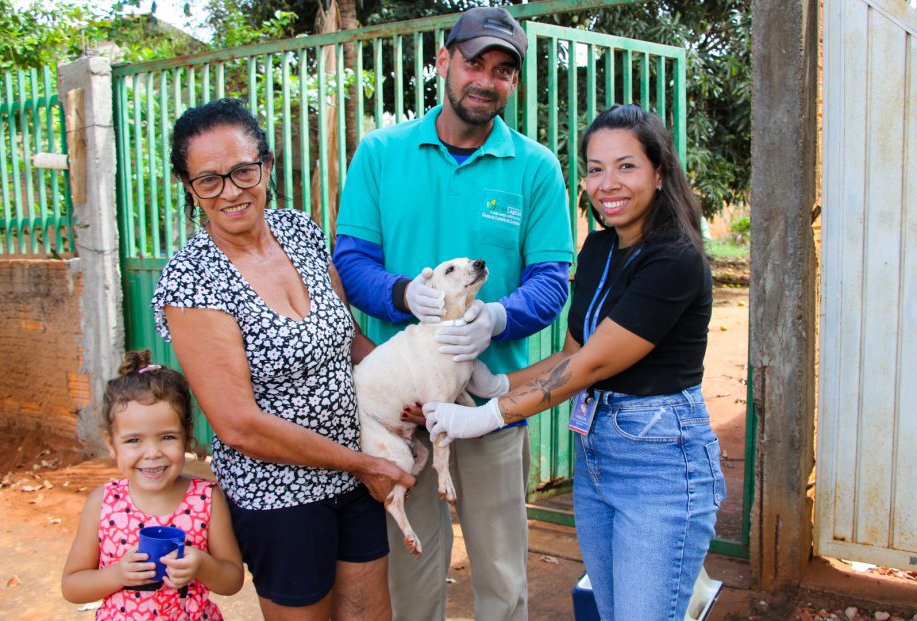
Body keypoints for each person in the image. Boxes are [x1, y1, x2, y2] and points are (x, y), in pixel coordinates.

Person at [423, 104, 727, 620]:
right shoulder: (601, 249)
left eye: (626, 166)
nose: (608, 182)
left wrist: (483, 418)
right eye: (594, 168)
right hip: (598, 453)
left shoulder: (675, 258)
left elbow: (590, 368)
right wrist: (494, 382)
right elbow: (570, 354)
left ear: (659, 171)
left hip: (661, 462)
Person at [333, 7, 574, 620]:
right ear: (443, 62)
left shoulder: (536, 168)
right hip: (405, 414)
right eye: (474, 62)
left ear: (513, 82)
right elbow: (351, 257)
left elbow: (551, 279)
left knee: (500, 571)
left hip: (488, 407)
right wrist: (397, 294)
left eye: (503, 70)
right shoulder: (382, 154)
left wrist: (496, 319)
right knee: (414, 575)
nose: (486, 80)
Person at [151, 98, 415, 620]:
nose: (231, 191)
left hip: (356, 474)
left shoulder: (299, 231)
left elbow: (350, 341)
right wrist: (365, 463)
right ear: (188, 186)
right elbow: (239, 426)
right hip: (280, 496)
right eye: (209, 180)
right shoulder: (191, 279)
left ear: (266, 165)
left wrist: (414, 389)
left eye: (243, 171)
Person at [61, 350, 244, 619]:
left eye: (167, 437)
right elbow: (72, 586)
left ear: (186, 436)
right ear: (111, 444)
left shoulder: (206, 499)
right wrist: (117, 574)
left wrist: (203, 565)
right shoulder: (103, 502)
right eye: (133, 440)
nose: (152, 453)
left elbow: (232, 580)